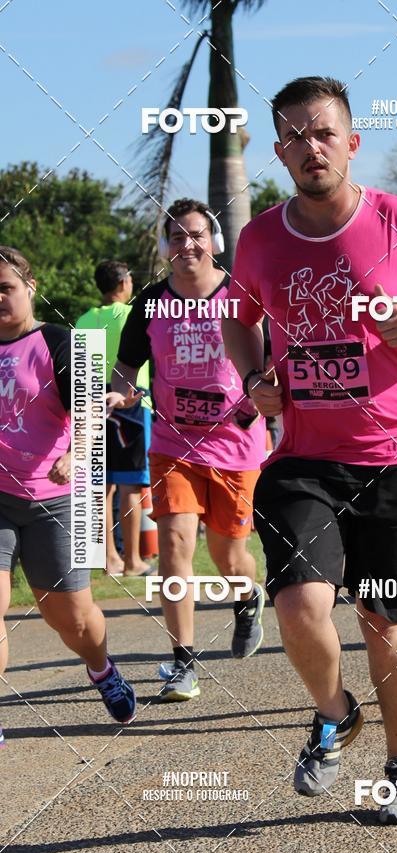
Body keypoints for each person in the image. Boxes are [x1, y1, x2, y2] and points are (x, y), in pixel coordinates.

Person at [222, 76, 397, 824]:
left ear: (351, 143)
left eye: (323, 133)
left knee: (384, 618)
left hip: (396, 454)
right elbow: (237, 317)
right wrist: (253, 377)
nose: (310, 148)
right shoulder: (260, 237)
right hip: (303, 457)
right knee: (300, 603)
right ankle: (335, 712)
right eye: (294, 137)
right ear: (279, 152)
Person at [107, 199, 266, 703]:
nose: (187, 244)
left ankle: (247, 597)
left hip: (236, 443)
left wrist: (262, 403)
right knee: (175, 543)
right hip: (173, 443)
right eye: (176, 236)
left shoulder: (240, 295)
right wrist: (117, 394)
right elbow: (125, 369)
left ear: (213, 241)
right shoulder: (151, 303)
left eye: (196, 234)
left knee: (227, 554)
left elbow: (269, 363)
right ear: (165, 246)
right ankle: (183, 662)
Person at [0, 246, 136, 747]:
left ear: (30, 288)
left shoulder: (61, 342)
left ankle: (101, 668)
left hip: (56, 499)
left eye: (5, 288)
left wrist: (76, 453)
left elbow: (91, 411)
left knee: (72, 620)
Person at [76, 260, 153, 577]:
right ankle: (133, 560)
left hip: (91, 398)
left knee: (100, 484)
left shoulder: (83, 319)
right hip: (130, 399)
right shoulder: (131, 314)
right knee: (130, 483)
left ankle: (109, 559)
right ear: (123, 283)